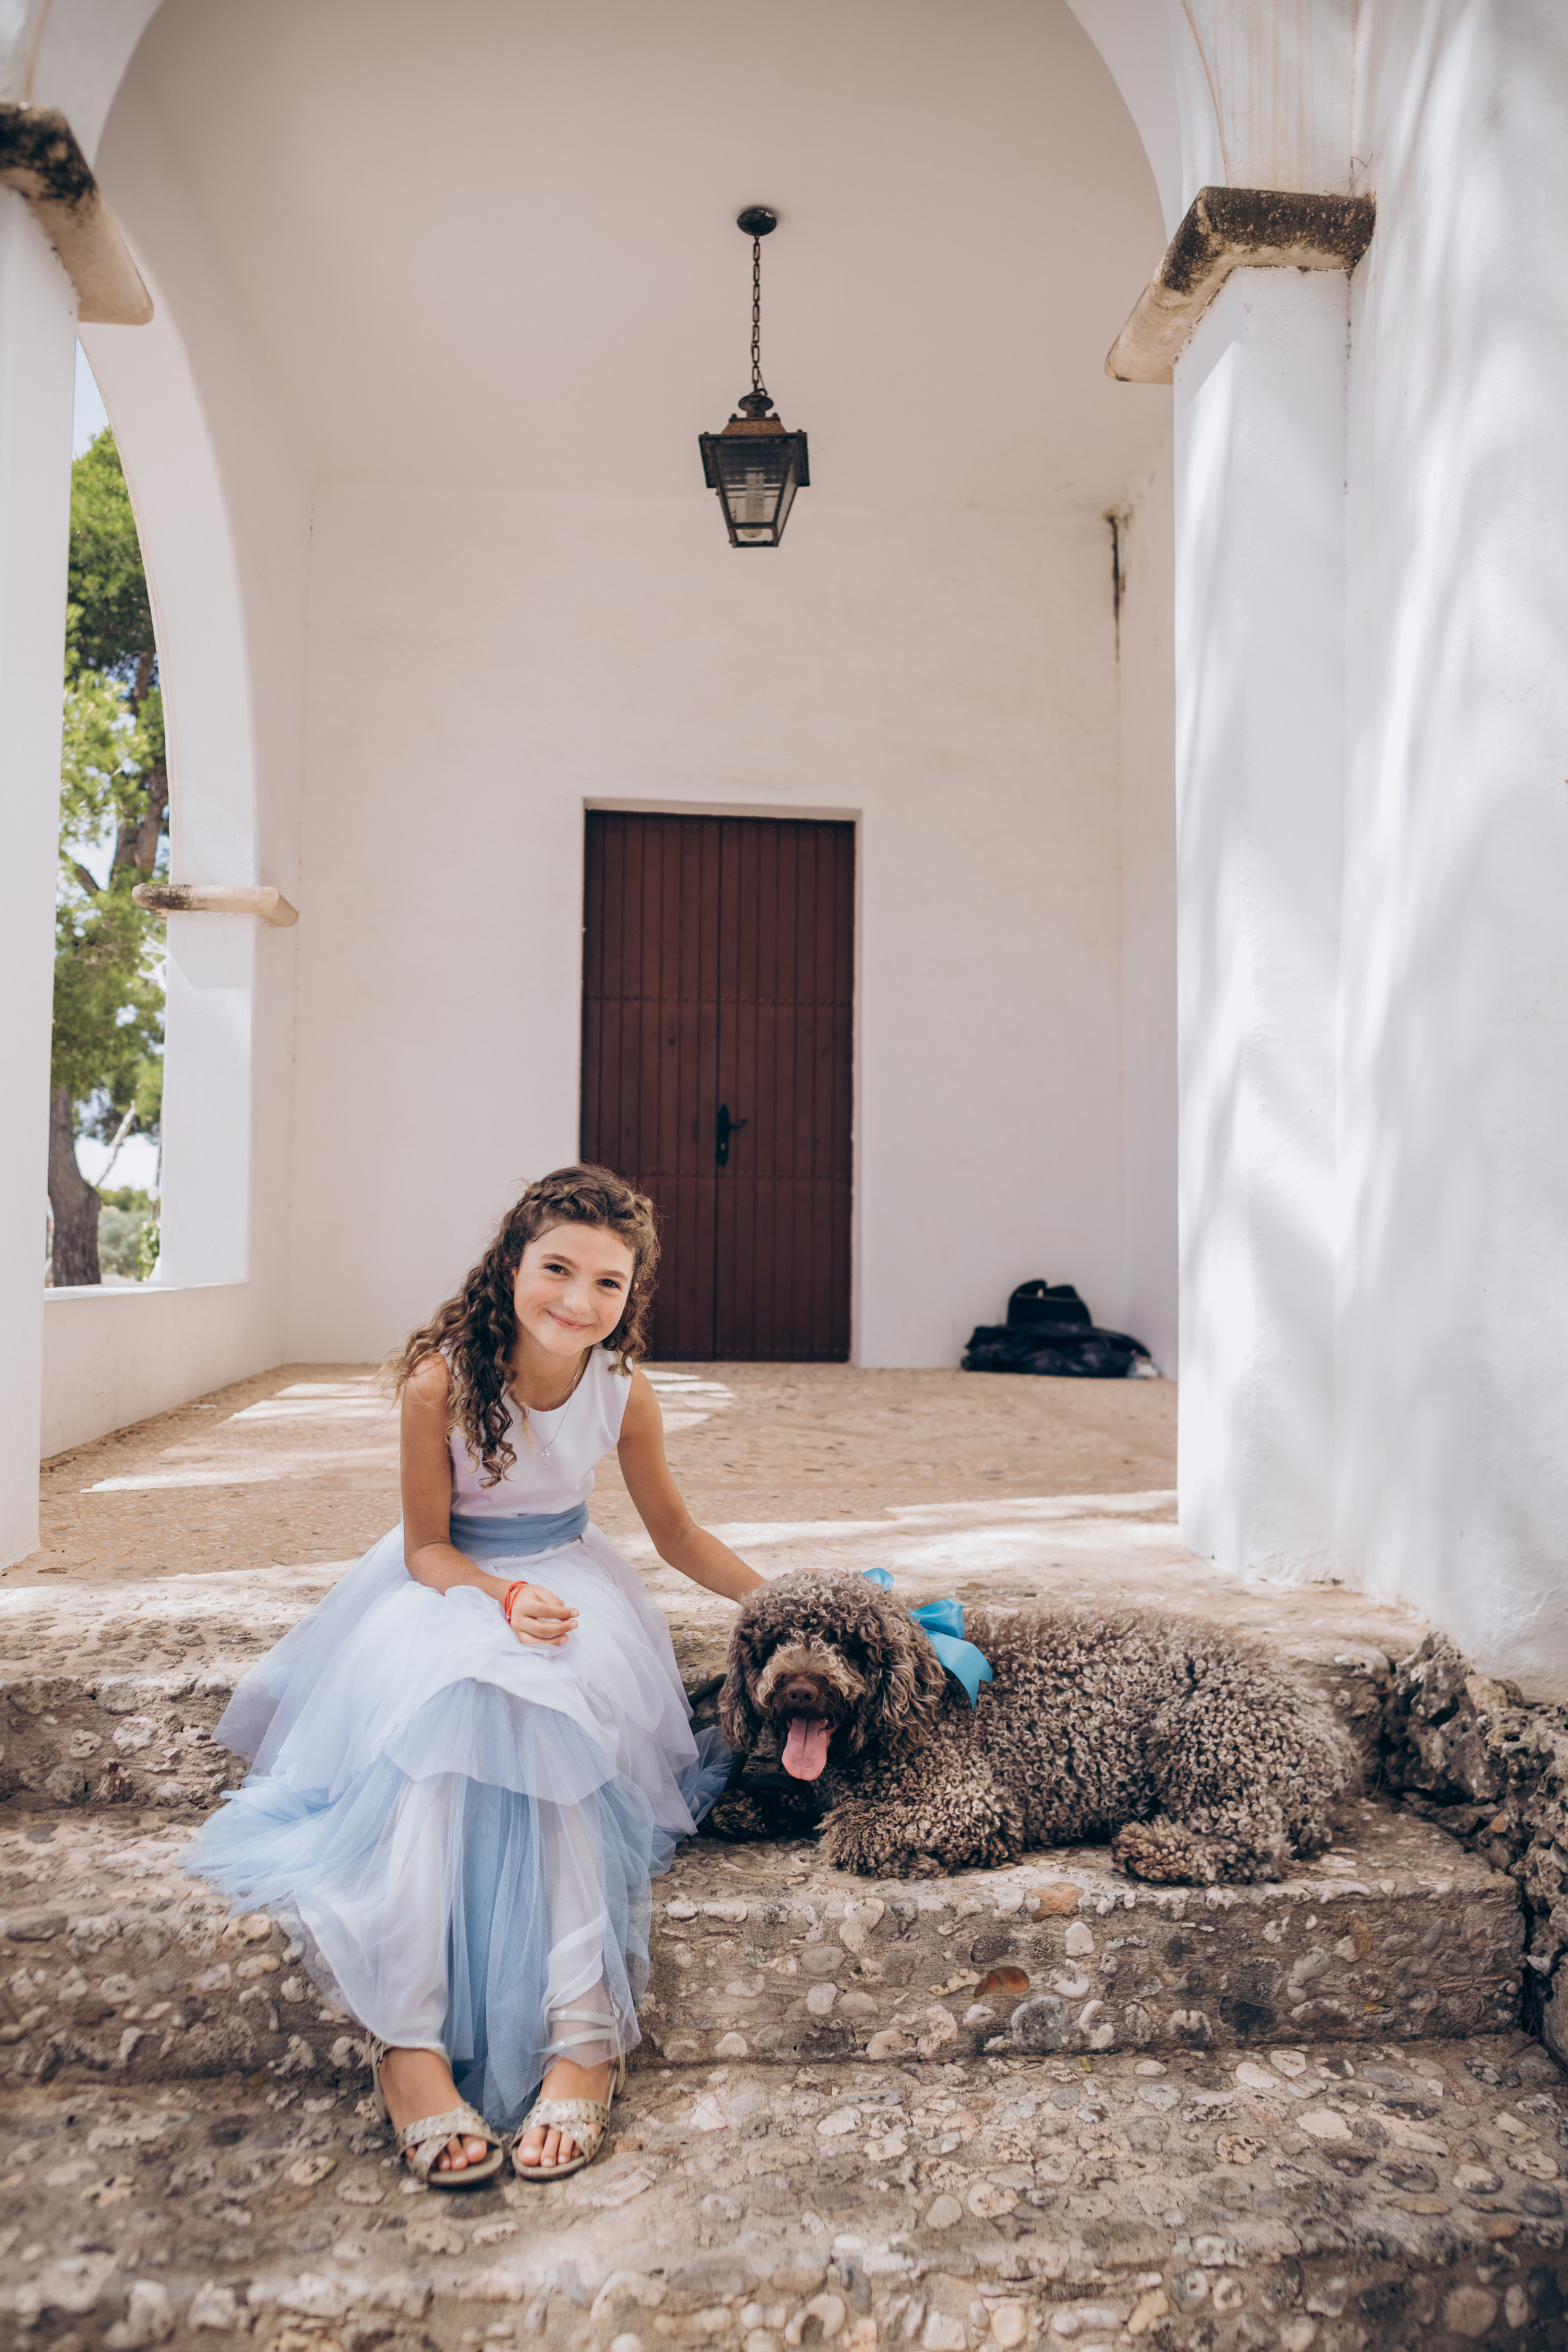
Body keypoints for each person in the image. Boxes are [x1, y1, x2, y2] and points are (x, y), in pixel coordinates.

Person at [183, 1165, 763, 2188]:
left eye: (609, 1285)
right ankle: (408, 2048)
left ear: (632, 1297)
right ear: (511, 1263)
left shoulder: (624, 1392)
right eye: (557, 1270)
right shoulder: (440, 1381)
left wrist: (785, 1600)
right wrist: (499, 1600)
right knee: (453, 1717)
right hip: (457, 1588)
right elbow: (425, 1551)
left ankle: (584, 2039)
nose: (578, 1303)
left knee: (556, 1721)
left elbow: (676, 1533)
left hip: (575, 1587)